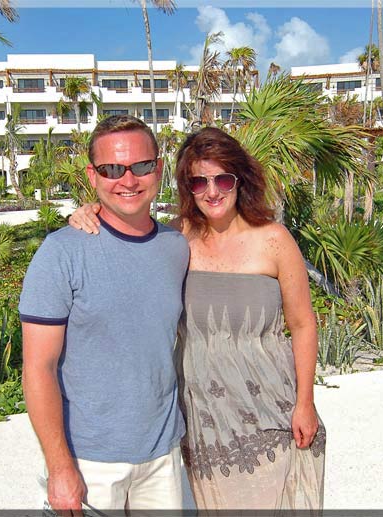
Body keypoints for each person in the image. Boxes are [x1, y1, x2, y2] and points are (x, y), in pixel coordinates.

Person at [69, 126, 325, 511]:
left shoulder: (274, 239)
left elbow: (303, 324)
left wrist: (305, 402)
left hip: (271, 408)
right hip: (203, 417)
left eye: (223, 179)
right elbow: (124, 236)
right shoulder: (176, 239)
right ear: (187, 188)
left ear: (240, 180)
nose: (212, 191)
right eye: (199, 182)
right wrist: (89, 213)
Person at [19, 115, 190, 516]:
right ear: (92, 176)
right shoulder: (61, 252)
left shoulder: (178, 246)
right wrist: (60, 467)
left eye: (140, 166)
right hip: (88, 462)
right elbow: (38, 368)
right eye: (112, 169)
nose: (128, 180)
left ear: (158, 168)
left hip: (163, 456)